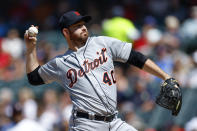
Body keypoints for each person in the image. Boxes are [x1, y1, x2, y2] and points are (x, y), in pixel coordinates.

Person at [24, 11, 177, 131]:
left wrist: (165, 76)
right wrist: (31, 49)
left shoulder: (103, 43)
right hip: (85, 125)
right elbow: (34, 77)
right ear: (66, 32)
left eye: (83, 24)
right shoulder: (60, 63)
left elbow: (135, 57)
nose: (83, 27)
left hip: (114, 122)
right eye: (77, 26)